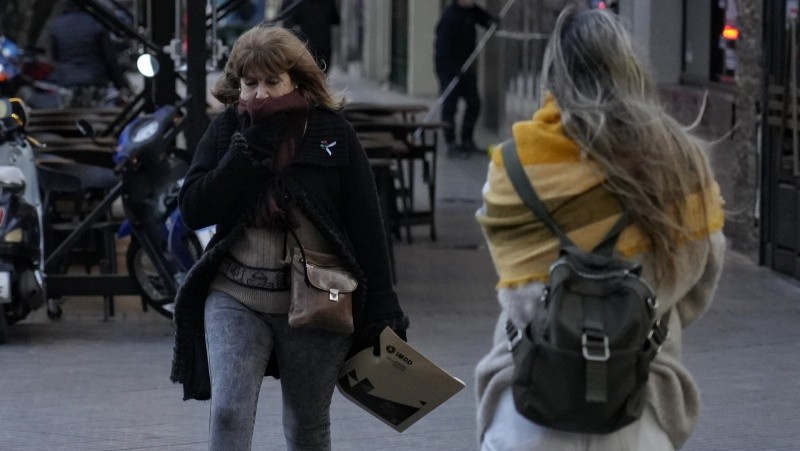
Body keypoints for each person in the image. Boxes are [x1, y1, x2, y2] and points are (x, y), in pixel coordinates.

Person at [474, 8, 726, 451]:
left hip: (530, 410)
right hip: (643, 409)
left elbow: (515, 288)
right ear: (631, 69)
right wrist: (635, 314)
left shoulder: (514, 165)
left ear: (553, 75)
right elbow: (700, 279)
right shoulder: (683, 165)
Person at [169, 25, 408, 450]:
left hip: (318, 303)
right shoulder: (228, 129)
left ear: (296, 80)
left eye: (272, 81)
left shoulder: (332, 132)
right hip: (235, 296)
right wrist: (246, 153)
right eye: (250, 83)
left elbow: (367, 225)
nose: (261, 94)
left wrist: (384, 313)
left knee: (306, 425)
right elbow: (193, 208)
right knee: (227, 414)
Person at [434, 0, 496, 159]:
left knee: (474, 103)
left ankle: (467, 140)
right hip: (449, 70)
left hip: (466, 67)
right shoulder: (450, 17)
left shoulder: (471, 10)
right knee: (450, 106)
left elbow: (485, 19)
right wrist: (452, 70)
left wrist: (492, 22)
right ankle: (451, 143)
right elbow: (442, 50)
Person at [47, 0, 130, 107]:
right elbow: (110, 60)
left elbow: (54, 58)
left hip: (66, 83)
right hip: (95, 83)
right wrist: (121, 85)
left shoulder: (56, 26)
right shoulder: (97, 24)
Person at [280, 0, 340, 73]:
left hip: (306, 46)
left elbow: (287, 22)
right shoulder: (328, 2)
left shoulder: (294, 2)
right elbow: (335, 20)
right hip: (321, 46)